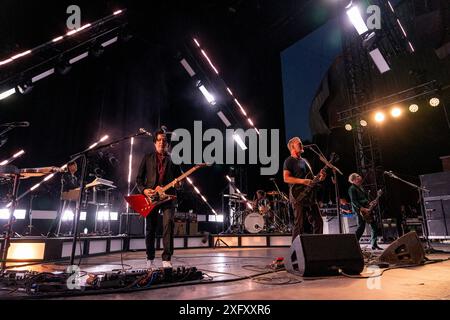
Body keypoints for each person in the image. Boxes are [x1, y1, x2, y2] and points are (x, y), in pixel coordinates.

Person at [136, 128, 181, 269]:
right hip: (152, 198)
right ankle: (150, 258)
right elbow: (138, 179)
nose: (162, 142)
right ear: (155, 143)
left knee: (168, 225)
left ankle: (166, 258)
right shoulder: (147, 157)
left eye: (164, 140)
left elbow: (179, 181)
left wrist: (178, 184)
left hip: (168, 198)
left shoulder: (173, 159)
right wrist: (144, 190)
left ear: (167, 144)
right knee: (150, 229)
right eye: (159, 140)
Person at [283, 137, 326, 241]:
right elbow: (286, 178)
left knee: (319, 222)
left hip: (310, 196)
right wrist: (303, 181)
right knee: (300, 224)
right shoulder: (289, 161)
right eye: (299, 144)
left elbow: (310, 179)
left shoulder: (305, 161)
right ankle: (295, 252)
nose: (302, 145)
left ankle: (317, 247)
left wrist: (320, 178)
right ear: (292, 146)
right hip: (297, 195)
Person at [348, 173, 382, 250]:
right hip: (359, 211)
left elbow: (365, 199)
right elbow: (354, 201)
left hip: (367, 210)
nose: (360, 177)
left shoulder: (361, 188)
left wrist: (370, 203)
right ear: (353, 180)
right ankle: (353, 244)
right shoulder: (352, 189)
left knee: (374, 226)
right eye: (357, 176)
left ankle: (374, 244)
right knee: (361, 228)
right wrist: (362, 208)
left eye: (359, 176)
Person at [47, 161, 79, 237]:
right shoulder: (65, 175)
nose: (75, 167)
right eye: (74, 165)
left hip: (73, 196)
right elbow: (69, 185)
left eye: (75, 165)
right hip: (65, 196)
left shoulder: (75, 177)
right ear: (70, 167)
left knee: (75, 214)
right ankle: (51, 232)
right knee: (60, 214)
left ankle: (73, 232)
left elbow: (76, 186)